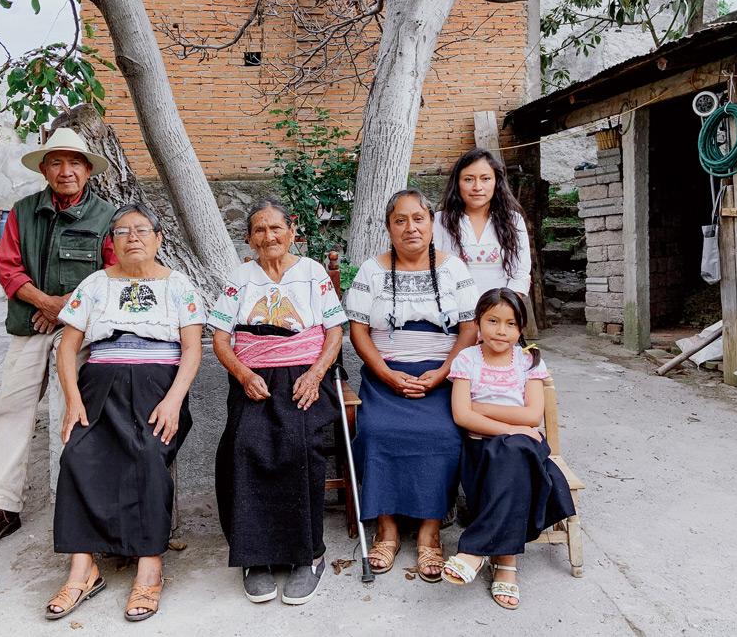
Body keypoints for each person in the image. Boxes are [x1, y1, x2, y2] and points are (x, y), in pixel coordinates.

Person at [0, 128, 117, 557]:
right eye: (56, 162)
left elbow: (113, 274)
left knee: (79, 412)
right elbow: (9, 269)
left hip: (79, 328)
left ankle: (82, 503)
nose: (66, 171)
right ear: (45, 169)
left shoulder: (109, 216)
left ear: (87, 170)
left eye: (74, 163)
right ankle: (1, 506)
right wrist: (46, 303)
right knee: (10, 408)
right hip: (31, 322)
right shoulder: (23, 211)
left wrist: (65, 309)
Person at [45, 202, 203, 621]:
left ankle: (149, 566)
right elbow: (67, 347)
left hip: (158, 386)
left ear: (158, 239)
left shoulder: (180, 285)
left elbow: (191, 350)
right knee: (77, 454)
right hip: (99, 384)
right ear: (111, 243)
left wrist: (173, 400)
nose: (132, 238)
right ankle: (84, 568)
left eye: (141, 230)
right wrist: (73, 400)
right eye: (122, 232)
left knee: (150, 454)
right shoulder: (95, 283)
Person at [209, 200, 347, 606]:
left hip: (305, 374)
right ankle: (256, 559)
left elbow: (335, 330)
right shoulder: (239, 278)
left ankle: (310, 555)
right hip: (254, 378)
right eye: (258, 230)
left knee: (300, 444)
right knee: (243, 444)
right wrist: (244, 374)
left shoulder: (311, 273)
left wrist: (317, 373)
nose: (268, 236)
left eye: (275, 228)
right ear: (249, 239)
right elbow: (220, 337)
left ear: (291, 230)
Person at [344, 188, 478, 582]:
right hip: (387, 376)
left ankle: (429, 532)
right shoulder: (372, 269)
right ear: (388, 228)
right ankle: (386, 529)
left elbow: (470, 328)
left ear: (432, 224)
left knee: (445, 435)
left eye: (418, 219)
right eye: (400, 220)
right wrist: (386, 373)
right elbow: (358, 330)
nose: (410, 228)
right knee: (376, 431)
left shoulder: (454, 269)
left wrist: (444, 373)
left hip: (442, 376)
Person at [441, 287, 575, 610]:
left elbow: (532, 415)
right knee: (511, 449)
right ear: (478, 322)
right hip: (481, 456)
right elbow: (462, 416)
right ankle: (505, 564)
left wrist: (481, 408)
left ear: (521, 328)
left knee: (514, 452)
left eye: (511, 324)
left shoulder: (528, 361)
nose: (501, 331)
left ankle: (475, 551)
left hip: (524, 453)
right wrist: (513, 428)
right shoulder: (467, 359)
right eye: (493, 321)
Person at [434, 148, 531, 297]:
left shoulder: (513, 220)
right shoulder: (440, 222)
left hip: (499, 314)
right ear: (457, 183)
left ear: (496, 182)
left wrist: (500, 310)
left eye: (485, 178)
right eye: (468, 179)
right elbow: (433, 271)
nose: (477, 187)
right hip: (452, 312)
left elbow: (521, 275)